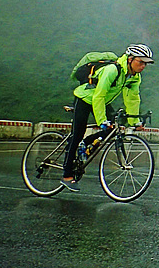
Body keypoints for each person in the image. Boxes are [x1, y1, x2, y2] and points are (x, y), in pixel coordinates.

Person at [60, 44, 153, 191]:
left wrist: (134, 122)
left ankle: (86, 143)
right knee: (77, 134)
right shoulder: (112, 70)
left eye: (145, 63)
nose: (143, 66)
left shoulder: (134, 77)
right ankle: (66, 174)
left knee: (111, 130)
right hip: (86, 98)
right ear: (130, 59)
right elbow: (99, 95)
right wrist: (101, 120)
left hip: (102, 102)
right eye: (140, 62)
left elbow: (132, 98)